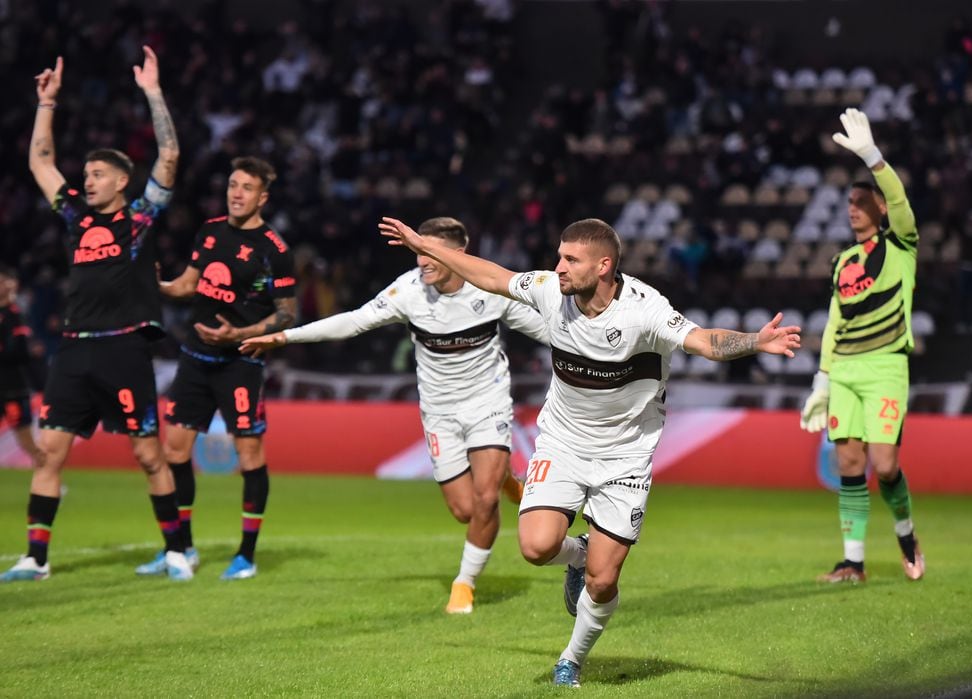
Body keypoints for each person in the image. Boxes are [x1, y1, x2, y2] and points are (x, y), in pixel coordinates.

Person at [379, 215, 800, 686]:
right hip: (562, 443)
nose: (557, 266)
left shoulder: (644, 309)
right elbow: (492, 275)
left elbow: (702, 339)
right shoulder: (549, 290)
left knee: (603, 581)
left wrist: (754, 342)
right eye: (559, 256)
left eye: (569, 259)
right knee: (536, 547)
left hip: (626, 455)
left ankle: (571, 659)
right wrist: (425, 246)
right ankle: (575, 555)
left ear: (603, 266)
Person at [241, 217, 549, 613]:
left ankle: (464, 583)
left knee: (485, 500)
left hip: (487, 404)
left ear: (457, 254)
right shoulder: (409, 290)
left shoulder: (489, 290)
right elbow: (354, 321)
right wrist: (285, 336)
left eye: (428, 252)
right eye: (416, 252)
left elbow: (548, 332)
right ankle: (505, 478)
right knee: (465, 511)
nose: (421, 262)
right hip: (438, 412)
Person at [1, 47, 192, 582]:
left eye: (98, 173)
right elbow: (40, 162)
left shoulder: (141, 218)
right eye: (85, 173)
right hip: (74, 348)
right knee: (47, 455)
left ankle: (177, 551)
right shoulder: (76, 219)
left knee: (149, 456)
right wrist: (47, 103)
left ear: (121, 183)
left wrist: (153, 92)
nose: (87, 180)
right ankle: (35, 558)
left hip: (125, 345)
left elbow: (170, 158)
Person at [136, 157, 297, 581]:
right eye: (232, 184)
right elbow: (188, 285)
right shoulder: (209, 232)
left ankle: (246, 555)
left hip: (240, 363)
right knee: (174, 451)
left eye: (246, 187)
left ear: (263, 197)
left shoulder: (274, 251)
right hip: (195, 357)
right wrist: (159, 285)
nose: (236, 193)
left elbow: (287, 316)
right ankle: (182, 548)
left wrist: (238, 334)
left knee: (249, 456)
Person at [800, 108, 925, 584]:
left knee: (885, 464)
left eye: (861, 201)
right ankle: (853, 561)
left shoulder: (903, 246)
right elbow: (834, 322)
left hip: (886, 367)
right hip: (846, 370)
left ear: (881, 209)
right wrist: (822, 378)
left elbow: (901, 201)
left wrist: (873, 157)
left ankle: (906, 533)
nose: (853, 207)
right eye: (849, 202)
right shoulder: (842, 262)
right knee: (850, 464)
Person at [0, 266, 43, 469]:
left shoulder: (15, 314)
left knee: (26, 440)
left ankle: (51, 483)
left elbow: (21, 351)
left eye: (2, 282)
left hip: (14, 387)